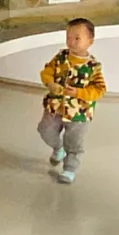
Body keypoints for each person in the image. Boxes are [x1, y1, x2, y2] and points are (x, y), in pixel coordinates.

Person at [37, 18, 106, 184]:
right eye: (68, 37)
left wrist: (79, 93)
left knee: (74, 142)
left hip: (79, 113)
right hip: (55, 107)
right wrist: (50, 83)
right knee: (45, 130)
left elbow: (99, 90)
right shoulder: (61, 57)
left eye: (77, 38)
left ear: (90, 41)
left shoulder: (93, 66)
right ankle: (58, 147)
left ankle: (69, 168)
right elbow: (47, 71)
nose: (71, 42)